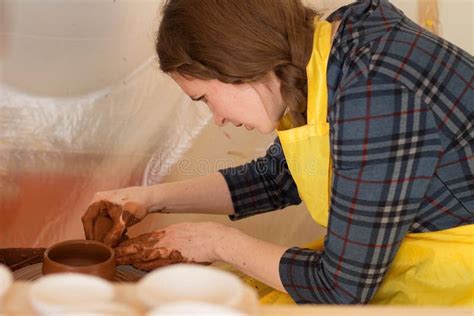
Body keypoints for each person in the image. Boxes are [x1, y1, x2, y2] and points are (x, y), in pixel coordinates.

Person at [81, 0, 473, 305]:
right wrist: (149, 198)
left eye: (204, 99)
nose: (216, 119)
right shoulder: (326, 57)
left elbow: (339, 291)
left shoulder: (376, 92)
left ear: (233, 63)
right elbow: (277, 177)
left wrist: (216, 242)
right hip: (407, 258)